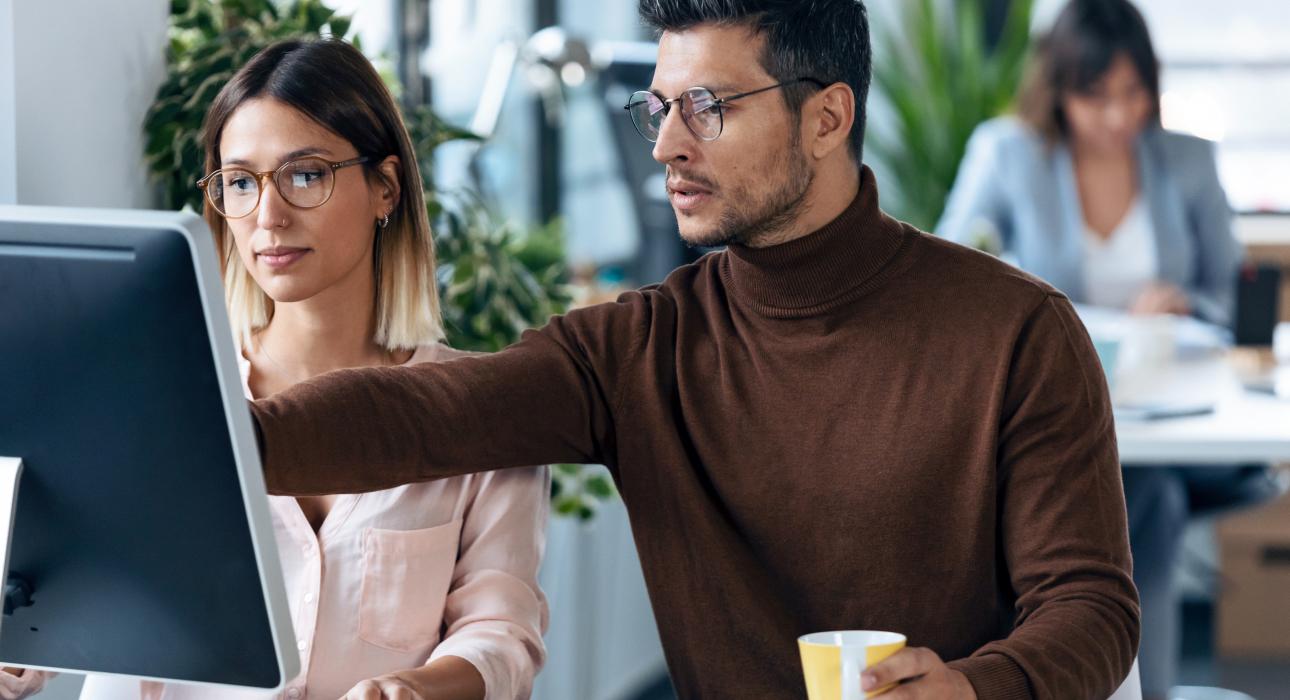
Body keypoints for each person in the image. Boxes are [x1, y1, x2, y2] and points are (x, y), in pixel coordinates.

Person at [249, 2, 1140, 698]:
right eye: (660, 110)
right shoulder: (641, 349)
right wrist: (222, 443)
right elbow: (424, 412)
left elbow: (1092, 607)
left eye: (708, 108)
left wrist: (975, 690)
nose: (668, 147)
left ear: (827, 117)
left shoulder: (1016, 332)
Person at [0, 38, 548, 700]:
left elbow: (500, 632)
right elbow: (85, 585)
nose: (268, 216)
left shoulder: (484, 413)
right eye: (239, 182)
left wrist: (416, 688)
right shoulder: (159, 400)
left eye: (305, 175)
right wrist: (22, 651)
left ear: (386, 188)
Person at [936, 2, 1267, 697]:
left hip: (1170, 405)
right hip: (1051, 409)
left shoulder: (1187, 159)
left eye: (1134, 92)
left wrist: (1185, 303)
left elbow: (1231, 291)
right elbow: (949, 268)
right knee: (1138, 497)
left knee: (1144, 491)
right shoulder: (1008, 153)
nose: (1120, 116)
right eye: (1097, 96)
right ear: (1058, 90)